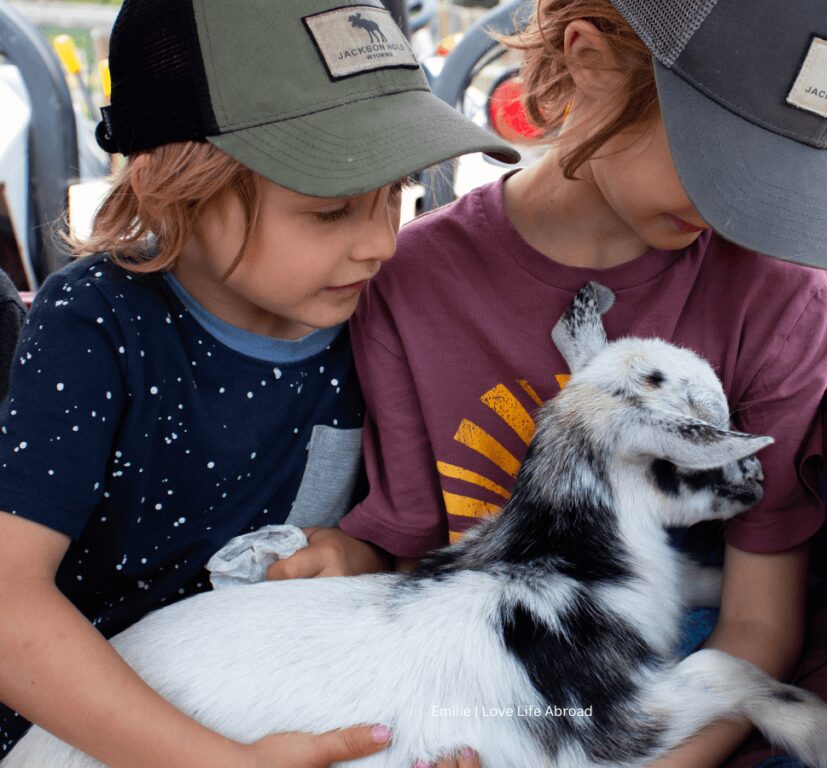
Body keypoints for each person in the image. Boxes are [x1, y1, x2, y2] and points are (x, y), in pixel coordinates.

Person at [276, 0, 827, 766]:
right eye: (728, 154)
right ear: (590, 59)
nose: (742, 209)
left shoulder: (785, 296)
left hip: (732, 722)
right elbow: (428, 574)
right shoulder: (410, 286)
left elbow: (759, 621)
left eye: (783, 172)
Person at [0, 0, 516, 765]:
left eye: (399, 195)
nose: (380, 242)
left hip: (299, 699)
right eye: (331, 208)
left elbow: (420, 539)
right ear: (178, 187)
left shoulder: (385, 312)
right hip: (90, 734)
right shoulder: (95, 323)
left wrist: (360, 557)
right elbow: (10, 604)